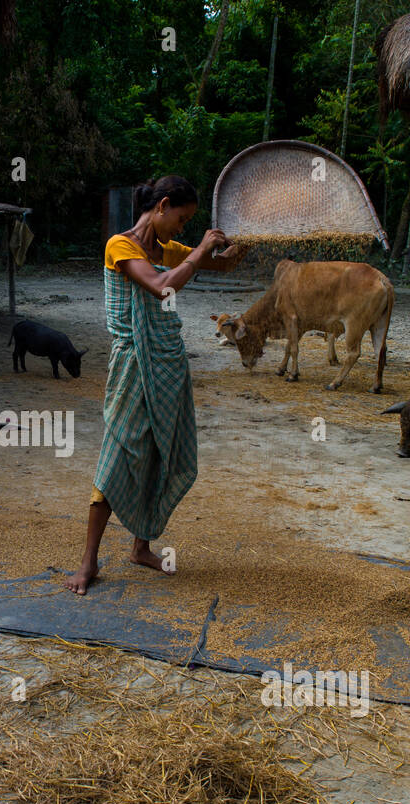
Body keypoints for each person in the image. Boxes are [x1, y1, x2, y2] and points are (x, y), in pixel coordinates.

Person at [65, 175, 246, 595]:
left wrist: (248, 239)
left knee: (158, 450)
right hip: (132, 365)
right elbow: (162, 286)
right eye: (181, 220)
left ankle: (140, 546)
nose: (182, 230)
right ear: (162, 206)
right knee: (118, 454)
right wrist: (199, 251)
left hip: (166, 361)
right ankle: (88, 562)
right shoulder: (121, 245)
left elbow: (221, 263)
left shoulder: (167, 248)